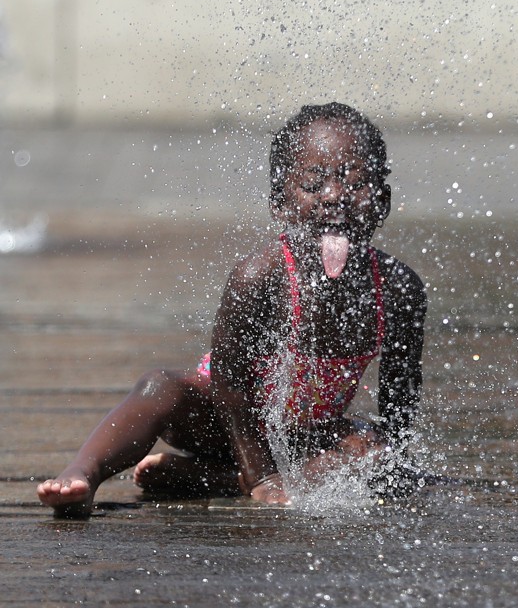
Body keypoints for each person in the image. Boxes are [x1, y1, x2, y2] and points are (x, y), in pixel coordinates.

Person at [37, 103, 427, 517]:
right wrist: (261, 476)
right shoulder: (260, 276)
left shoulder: (399, 288)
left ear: (382, 202)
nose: (333, 197)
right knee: (159, 387)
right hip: (222, 419)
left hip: (302, 436)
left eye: (354, 183)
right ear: (281, 203)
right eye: (313, 184)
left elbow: (400, 395)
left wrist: (395, 463)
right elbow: (230, 381)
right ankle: (83, 472)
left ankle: (215, 480)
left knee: (372, 451)